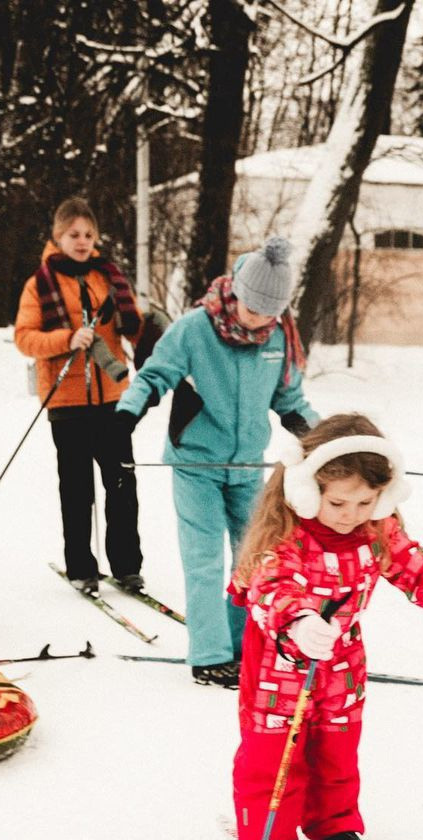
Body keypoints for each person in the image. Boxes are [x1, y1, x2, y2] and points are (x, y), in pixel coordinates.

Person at [228, 412, 423, 840]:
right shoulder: (287, 532)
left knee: (337, 747)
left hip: (343, 662)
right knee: (276, 754)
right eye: (337, 502)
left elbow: (415, 567)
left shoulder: (377, 528)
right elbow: (271, 586)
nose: (350, 513)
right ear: (308, 489)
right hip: (279, 664)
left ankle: (333, 823)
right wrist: (300, 621)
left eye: (365, 501)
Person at [116, 236, 318, 689]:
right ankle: (209, 656)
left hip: (248, 466)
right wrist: (125, 416)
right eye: (252, 309)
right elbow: (155, 374)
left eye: (270, 312)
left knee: (253, 560)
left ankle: (242, 646)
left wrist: (317, 437)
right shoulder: (195, 327)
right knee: (204, 560)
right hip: (196, 463)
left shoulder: (279, 335)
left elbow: (290, 399)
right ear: (236, 293)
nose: (259, 319)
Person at [14, 196, 144, 596]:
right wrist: (67, 339)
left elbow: (134, 326)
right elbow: (25, 338)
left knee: (121, 483)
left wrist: (145, 327)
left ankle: (126, 566)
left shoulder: (110, 277)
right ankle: (82, 568)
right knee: (76, 489)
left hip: (113, 398)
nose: (82, 241)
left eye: (89, 234)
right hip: (66, 402)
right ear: (58, 236)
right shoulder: (39, 283)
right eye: (74, 234)